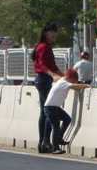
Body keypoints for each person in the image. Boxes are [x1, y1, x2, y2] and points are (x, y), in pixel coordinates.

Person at [30, 22, 62, 153]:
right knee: (49, 111)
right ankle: (45, 142)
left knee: (44, 112)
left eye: (54, 31)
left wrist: (64, 76)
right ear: (45, 33)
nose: (53, 34)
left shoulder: (47, 46)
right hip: (43, 79)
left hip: (45, 80)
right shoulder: (43, 47)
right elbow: (43, 66)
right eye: (51, 31)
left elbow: (53, 66)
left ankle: (43, 143)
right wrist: (53, 75)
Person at [43, 68, 89, 154]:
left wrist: (78, 84)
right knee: (55, 127)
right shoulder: (63, 83)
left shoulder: (63, 81)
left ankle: (59, 138)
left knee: (67, 119)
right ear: (68, 78)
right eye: (73, 80)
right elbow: (75, 86)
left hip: (54, 107)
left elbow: (74, 86)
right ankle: (55, 148)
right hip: (51, 108)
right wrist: (86, 86)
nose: (73, 82)